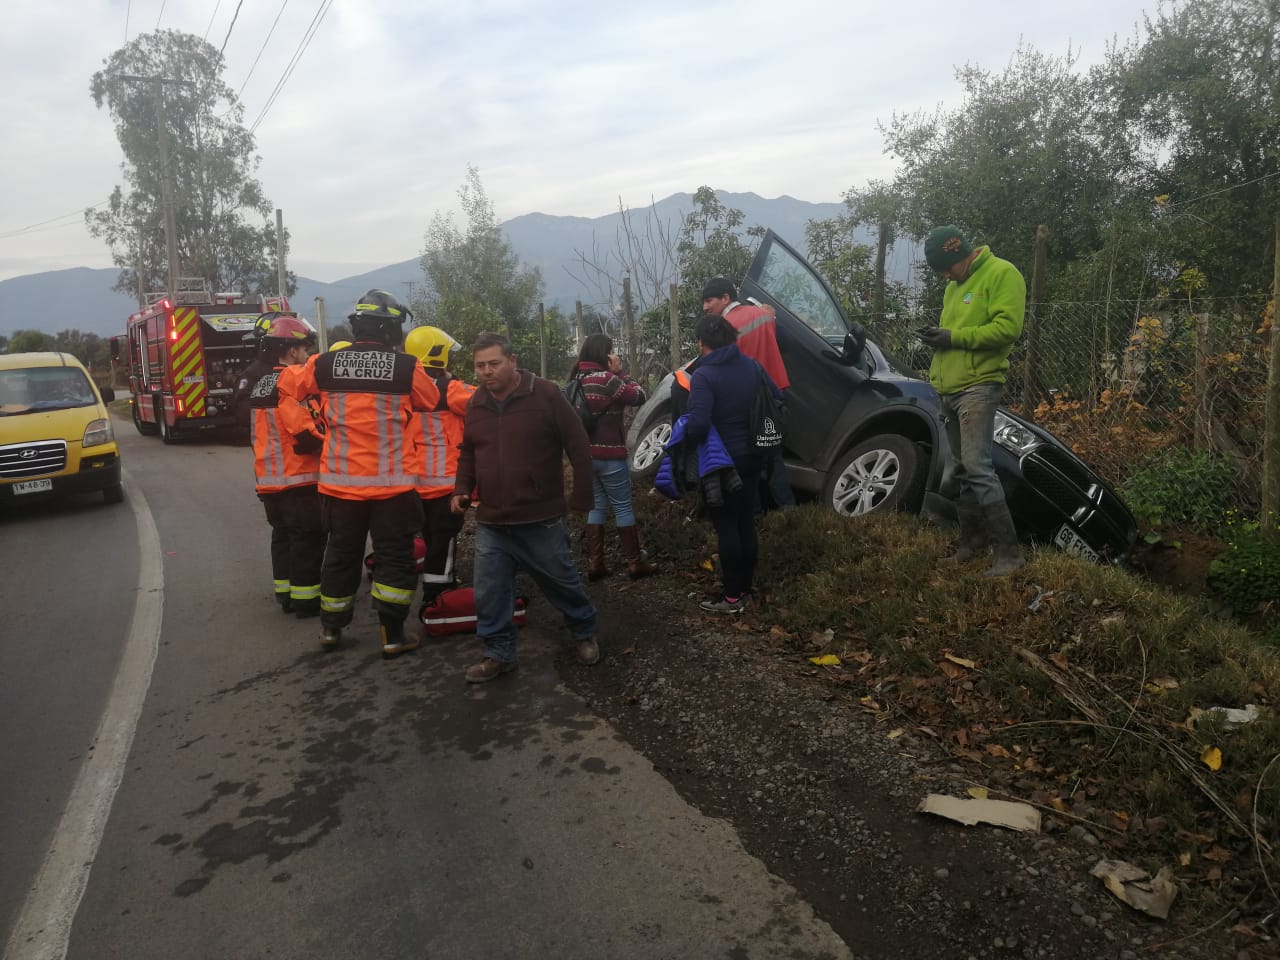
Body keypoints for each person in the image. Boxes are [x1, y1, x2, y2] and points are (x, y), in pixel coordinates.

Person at [280, 290, 440, 656]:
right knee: (395, 558)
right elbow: (429, 400)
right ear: (391, 330)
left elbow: (288, 387)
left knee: (340, 555)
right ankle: (393, 635)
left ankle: (331, 631)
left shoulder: (323, 364)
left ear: (357, 327)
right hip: (392, 487)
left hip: (341, 487)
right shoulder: (406, 367)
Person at [451, 332, 599, 683]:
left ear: (513, 361)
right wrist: (461, 488)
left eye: (494, 363)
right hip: (492, 520)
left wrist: (581, 497)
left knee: (561, 581)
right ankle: (498, 654)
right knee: (490, 590)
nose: (486, 372)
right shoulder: (476, 404)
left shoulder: (546, 394)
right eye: (480, 366)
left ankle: (584, 632)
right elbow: (469, 451)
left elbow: (578, 446)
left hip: (541, 517)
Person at [919, 225, 1027, 577]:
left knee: (978, 466)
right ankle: (971, 543)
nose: (945, 276)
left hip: (979, 386)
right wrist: (938, 338)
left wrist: (952, 337)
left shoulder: (1003, 274)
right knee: (963, 468)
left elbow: (1007, 329)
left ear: (958, 254)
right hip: (949, 388)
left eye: (946, 267)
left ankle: (1010, 554)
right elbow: (956, 338)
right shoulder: (954, 286)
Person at [685, 312, 781, 614]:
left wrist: (681, 433)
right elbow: (777, 397)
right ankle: (746, 590)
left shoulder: (704, 375)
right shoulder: (752, 366)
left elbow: (698, 425)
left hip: (721, 463)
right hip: (754, 455)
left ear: (702, 342)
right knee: (744, 522)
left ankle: (732, 597)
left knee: (726, 526)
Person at [245, 314, 325, 617]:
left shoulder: (262, 383)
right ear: (292, 350)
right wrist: (329, 440)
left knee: (282, 539)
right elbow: (303, 433)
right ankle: (306, 601)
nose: (306, 355)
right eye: (304, 349)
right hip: (298, 479)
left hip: (269, 480)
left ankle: (286, 594)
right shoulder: (291, 379)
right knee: (307, 540)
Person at [700, 276, 795, 510]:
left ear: (726, 297)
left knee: (742, 456)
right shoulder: (763, 315)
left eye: (709, 300)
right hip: (773, 393)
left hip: (744, 397)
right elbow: (782, 343)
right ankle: (788, 509)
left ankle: (752, 513)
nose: (705, 307)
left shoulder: (723, 328)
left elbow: (719, 362)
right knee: (772, 453)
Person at [568, 333, 655, 581]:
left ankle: (596, 563)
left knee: (596, 505)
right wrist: (622, 373)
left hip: (585, 456)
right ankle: (635, 563)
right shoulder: (607, 379)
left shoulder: (576, 379)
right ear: (604, 354)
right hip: (610, 454)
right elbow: (639, 396)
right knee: (623, 506)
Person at [403, 324, 475, 616]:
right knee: (442, 541)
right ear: (438, 356)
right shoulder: (452, 390)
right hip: (445, 484)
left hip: (412, 484)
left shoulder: (405, 389)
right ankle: (438, 595)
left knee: (431, 537)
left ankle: (435, 585)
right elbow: (483, 402)